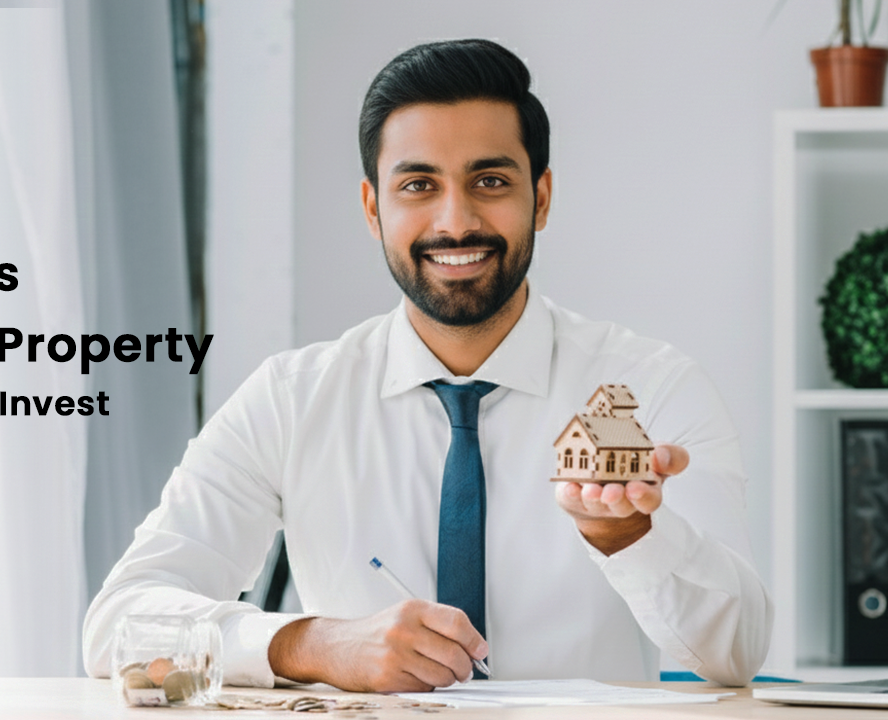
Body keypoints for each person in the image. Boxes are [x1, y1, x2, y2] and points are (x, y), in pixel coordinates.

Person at [82, 39, 772, 691]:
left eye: (491, 180)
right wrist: (312, 645)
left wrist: (631, 536)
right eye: (417, 184)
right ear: (372, 209)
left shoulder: (654, 389)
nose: (455, 220)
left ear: (543, 195)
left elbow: (738, 652)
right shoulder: (290, 401)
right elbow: (119, 628)